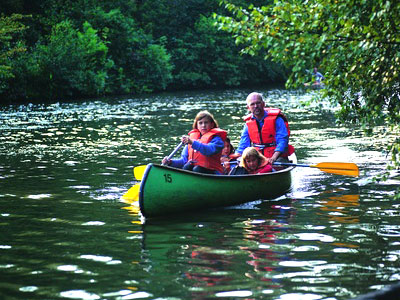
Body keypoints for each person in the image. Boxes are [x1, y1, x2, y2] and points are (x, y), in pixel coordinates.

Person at [235, 92, 295, 166]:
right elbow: (243, 144)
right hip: (257, 158)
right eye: (252, 104)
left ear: (263, 104)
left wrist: (273, 157)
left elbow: (283, 140)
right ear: (248, 107)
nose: (256, 106)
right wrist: (237, 157)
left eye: (258, 103)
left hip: (277, 156)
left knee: (276, 166)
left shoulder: (277, 119)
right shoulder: (248, 123)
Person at [162, 110, 227, 174]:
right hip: (195, 172)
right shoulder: (192, 139)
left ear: (212, 124)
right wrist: (170, 162)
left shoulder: (217, 140)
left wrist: (193, 143)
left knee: (197, 168)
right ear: (197, 125)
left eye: (206, 122)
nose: (203, 125)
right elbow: (183, 161)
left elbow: (209, 150)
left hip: (213, 172)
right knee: (187, 166)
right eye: (200, 123)